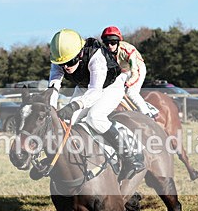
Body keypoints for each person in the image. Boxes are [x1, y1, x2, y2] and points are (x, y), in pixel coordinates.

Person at [48, 28, 145, 180]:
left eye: (70, 62)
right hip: (83, 87)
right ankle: (59, 161)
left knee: (94, 118)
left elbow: (95, 92)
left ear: (80, 54)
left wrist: (74, 105)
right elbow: (53, 87)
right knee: (65, 121)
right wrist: (51, 108)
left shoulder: (96, 57)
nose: (66, 67)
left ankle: (129, 157)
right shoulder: (59, 60)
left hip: (110, 86)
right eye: (62, 64)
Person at [100, 26, 156, 118]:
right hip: (123, 71)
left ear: (118, 42)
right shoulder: (104, 52)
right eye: (107, 43)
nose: (110, 46)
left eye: (113, 43)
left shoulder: (128, 50)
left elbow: (135, 72)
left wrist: (128, 83)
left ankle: (147, 115)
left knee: (131, 92)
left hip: (137, 69)